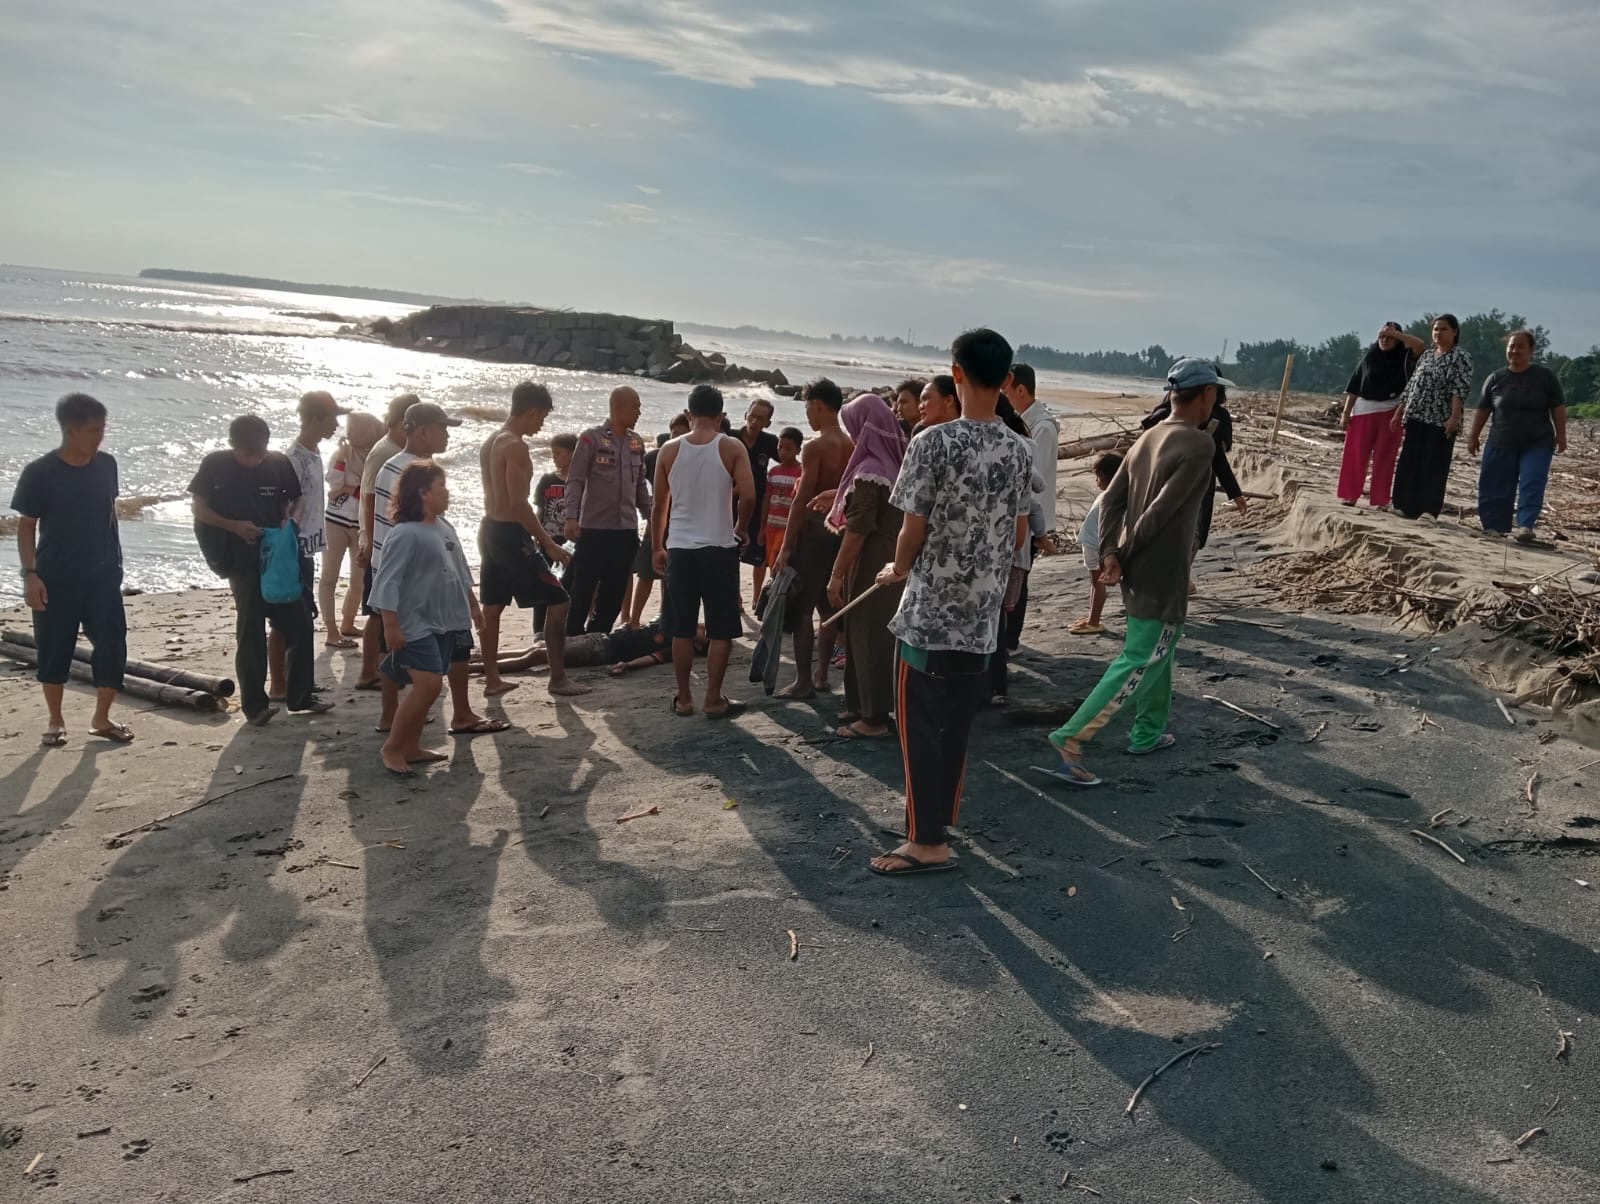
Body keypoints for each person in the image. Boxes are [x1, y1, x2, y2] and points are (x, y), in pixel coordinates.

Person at [868, 329, 1032, 877]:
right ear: (1007, 380)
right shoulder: (1018, 448)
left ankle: (926, 840)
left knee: (917, 726)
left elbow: (911, 532)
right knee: (956, 725)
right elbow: (1015, 534)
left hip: (929, 615)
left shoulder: (932, 443)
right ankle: (939, 822)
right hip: (981, 617)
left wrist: (897, 569)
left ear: (955, 373)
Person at [1041, 359, 1221, 787]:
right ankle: (1071, 738)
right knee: (1142, 656)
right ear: (1206, 395)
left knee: (1162, 646)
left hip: (1136, 566)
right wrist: (1118, 552)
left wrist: (1111, 553)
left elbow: (1111, 501)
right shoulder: (1199, 445)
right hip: (1160, 570)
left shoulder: (1147, 438)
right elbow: (1161, 513)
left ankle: (1148, 733)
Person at [191, 415, 330, 725]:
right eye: (246, 454)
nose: (254, 460)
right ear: (233, 447)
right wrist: (234, 527)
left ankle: (301, 695)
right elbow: (199, 509)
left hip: (277, 556)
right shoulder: (215, 464)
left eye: (259, 453)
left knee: (300, 622)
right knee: (251, 628)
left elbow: (296, 500)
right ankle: (255, 705)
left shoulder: (278, 462)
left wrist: (290, 519)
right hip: (239, 559)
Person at [368, 462, 505, 776]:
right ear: (423, 492)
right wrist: (390, 624)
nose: (448, 491)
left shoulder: (444, 527)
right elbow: (387, 581)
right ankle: (392, 747)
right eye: (441, 486)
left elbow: (459, 571)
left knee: (431, 684)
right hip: (415, 622)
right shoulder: (404, 533)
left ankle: (412, 747)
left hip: (446, 619)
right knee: (428, 685)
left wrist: (472, 606)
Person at [11, 393, 132, 747]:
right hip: (56, 577)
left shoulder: (107, 464)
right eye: (93, 430)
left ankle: (102, 719)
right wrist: (29, 575)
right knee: (54, 649)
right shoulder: (40, 472)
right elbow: (25, 526)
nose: (100, 437)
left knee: (112, 644)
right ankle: (55, 720)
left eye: (103, 429)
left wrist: (117, 560)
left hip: (104, 575)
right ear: (70, 431)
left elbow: (109, 513)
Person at [652, 384, 756, 719]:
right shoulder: (731, 446)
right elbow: (750, 495)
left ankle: (683, 699)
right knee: (720, 628)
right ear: (721, 416)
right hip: (719, 548)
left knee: (682, 629)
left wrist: (657, 545)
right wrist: (741, 527)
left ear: (688, 414)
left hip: (680, 548)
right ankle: (713, 698)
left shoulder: (668, 449)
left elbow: (659, 506)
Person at [478, 381, 586, 698]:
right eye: (542, 418)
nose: (542, 425)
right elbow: (517, 502)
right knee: (559, 599)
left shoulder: (491, 440)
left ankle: (492, 678)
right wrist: (547, 543)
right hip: (511, 534)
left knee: (493, 606)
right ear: (532, 411)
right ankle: (558, 679)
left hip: (489, 529)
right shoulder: (515, 445)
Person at [823, 394, 906, 739]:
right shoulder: (893, 465)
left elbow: (858, 528)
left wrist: (836, 575)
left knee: (870, 633)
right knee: (863, 631)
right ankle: (861, 704)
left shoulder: (872, 470)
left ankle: (872, 718)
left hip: (873, 560)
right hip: (888, 557)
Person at [773, 377, 853, 698]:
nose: (808, 415)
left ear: (819, 406)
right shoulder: (851, 444)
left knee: (803, 608)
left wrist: (786, 546)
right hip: (841, 532)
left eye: (808, 408)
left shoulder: (815, 446)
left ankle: (803, 680)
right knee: (827, 605)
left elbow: (801, 499)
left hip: (814, 531)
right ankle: (821, 674)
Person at [270, 390, 347, 701]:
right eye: (332, 418)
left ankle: (295, 680)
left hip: (307, 547)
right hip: (293, 548)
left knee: (300, 617)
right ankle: (280, 685)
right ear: (315, 418)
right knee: (286, 620)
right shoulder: (294, 457)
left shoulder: (314, 453)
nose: (335, 425)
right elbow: (284, 507)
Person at [564, 386, 650, 635]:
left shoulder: (636, 443)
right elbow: (575, 479)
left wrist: (651, 515)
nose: (639, 412)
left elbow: (640, 485)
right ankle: (572, 638)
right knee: (583, 588)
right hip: (593, 530)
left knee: (614, 590)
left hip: (625, 530)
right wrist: (571, 517)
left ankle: (597, 637)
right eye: (635, 406)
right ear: (618, 407)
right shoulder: (591, 438)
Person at [1470, 330, 1568, 542]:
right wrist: (1473, 436)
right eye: (1511, 347)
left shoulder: (1545, 377)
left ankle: (1526, 525)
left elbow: (1558, 407)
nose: (1515, 351)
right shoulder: (1496, 378)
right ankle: (1494, 526)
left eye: (1520, 347)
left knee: (1532, 481)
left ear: (1531, 350)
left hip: (1537, 441)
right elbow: (1483, 409)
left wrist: (1561, 435)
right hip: (1501, 440)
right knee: (1494, 483)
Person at [355, 393, 417, 688]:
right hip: (381, 544)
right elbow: (368, 499)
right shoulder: (384, 453)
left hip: (388, 543)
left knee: (381, 611)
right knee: (377, 612)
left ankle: (380, 669)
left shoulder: (398, 451)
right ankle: (371, 671)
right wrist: (367, 542)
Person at [1391, 315, 1473, 523]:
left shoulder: (1461, 357)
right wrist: (1399, 411)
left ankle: (1428, 510)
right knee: (1410, 461)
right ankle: (1403, 505)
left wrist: (1454, 416)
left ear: (1454, 332)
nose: (1438, 333)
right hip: (1417, 415)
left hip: (1441, 419)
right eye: (1436, 329)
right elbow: (1412, 385)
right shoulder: (1427, 355)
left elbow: (1459, 388)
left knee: (1434, 465)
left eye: (1443, 329)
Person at [1337, 323, 1423, 510]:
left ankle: (1380, 499)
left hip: (1391, 412)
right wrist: (1345, 413)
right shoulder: (1369, 358)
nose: (1384, 340)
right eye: (1381, 336)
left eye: (1389, 337)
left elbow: (1419, 345)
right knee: (1356, 455)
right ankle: (1350, 495)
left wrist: (1397, 334)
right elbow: (1353, 387)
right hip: (1363, 411)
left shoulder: (1405, 358)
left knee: (1385, 457)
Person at [987, 396, 1037, 705]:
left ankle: (994, 686)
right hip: (1006, 547)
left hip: (1002, 550)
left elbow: (1036, 486)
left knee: (995, 619)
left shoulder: (1015, 445)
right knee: (996, 619)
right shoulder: (1019, 444)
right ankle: (996, 687)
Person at [1006, 364, 1058, 652]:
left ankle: (1011, 641)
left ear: (1021, 390)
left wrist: (1037, 529)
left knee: (1020, 578)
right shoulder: (1031, 422)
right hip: (1028, 514)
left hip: (1032, 516)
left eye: (1005, 390)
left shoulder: (1041, 427)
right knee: (1018, 578)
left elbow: (1034, 476)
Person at [320, 410, 383, 645]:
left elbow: (370, 488)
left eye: (355, 428)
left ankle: (347, 622)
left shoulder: (377, 455)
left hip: (361, 525)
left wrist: (350, 489)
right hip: (335, 521)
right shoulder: (344, 453)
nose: (350, 433)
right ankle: (331, 631)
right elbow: (333, 483)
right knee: (329, 577)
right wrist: (341, 459)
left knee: (360, 579)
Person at [626, 413, 691, 628]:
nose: (678, 437)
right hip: (657, 522)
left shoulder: (694, 458)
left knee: (670, 576)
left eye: (684, 433)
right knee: (646, 572)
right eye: (675, 433)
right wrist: (644, 504)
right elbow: (634, 480)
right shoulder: (656, 456)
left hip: (682, 524)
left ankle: (665, 617)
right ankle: (633, 620)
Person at [481, 622, 708, 677]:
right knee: (540, 646)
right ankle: (480, 657)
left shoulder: (678, 648)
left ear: (698, 645)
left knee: (539, 656)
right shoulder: (676, 628)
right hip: (599, 637)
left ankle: (481, 668)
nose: (701, 625)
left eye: (704, 631)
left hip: (601, 650)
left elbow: (652, 658)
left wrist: (626, 665)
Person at [1068, 452, 1123, 636]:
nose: (1096, 481)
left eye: (1097, 476)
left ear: (1106, 477)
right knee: (1096, 583)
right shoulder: (1118, 495)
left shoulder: (1110, 497)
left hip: (1095, 545)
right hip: (1098, 544)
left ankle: (1094, 620)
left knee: (1097, 583)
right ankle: (1093, 617)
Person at [532, 431, 577, 634]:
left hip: (570, 545)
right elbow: (540, 510)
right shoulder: (547, 480)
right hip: (547, 542)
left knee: (567, 587)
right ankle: (539, 632)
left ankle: (562, 629)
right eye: (553, 453)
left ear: (572, 454)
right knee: (543, 586)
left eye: (558, 453)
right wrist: (537, 534)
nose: (554, 457)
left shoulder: (580, 483)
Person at [736, 399, 780, 602]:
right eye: (752, 416)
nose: (754, 421)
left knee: (758, 552)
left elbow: (791, 460)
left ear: (768, 423)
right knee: (731, 551)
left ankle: (755, 598)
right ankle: (734, 597)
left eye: (760, 418)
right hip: (732, 501)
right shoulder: (731, 438)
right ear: (746, 415)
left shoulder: (770, 442)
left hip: (759, 504)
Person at [762, 427, 804, 575]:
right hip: (771, 525)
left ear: (798, 450)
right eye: (780, 447)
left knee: (778, 564)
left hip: (787, 527)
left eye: (788, 449)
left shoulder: (802, 472)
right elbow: (767, 500)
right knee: (770, 561)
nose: (783, 452)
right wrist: (762, 528)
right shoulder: (773, 472)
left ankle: (776, 593)